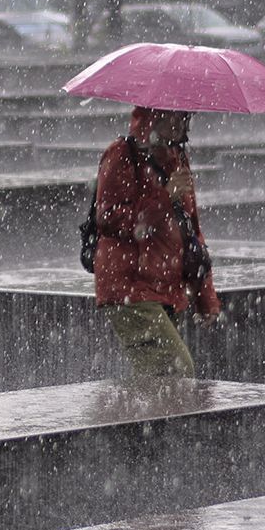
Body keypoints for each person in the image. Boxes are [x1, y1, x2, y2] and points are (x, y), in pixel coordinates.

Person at [90, 106, 219, 377]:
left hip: (166, 287)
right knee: (175, 372)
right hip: (130, 287)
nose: (180, 122)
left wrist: (204, 295)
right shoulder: (122, 154)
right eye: (172, 114)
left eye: (185, 115)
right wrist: (164, 197)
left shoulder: (177, 158)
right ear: (153, 115)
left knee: (157, 383)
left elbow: (191, 230)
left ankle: (126, 416)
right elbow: (109, 218)